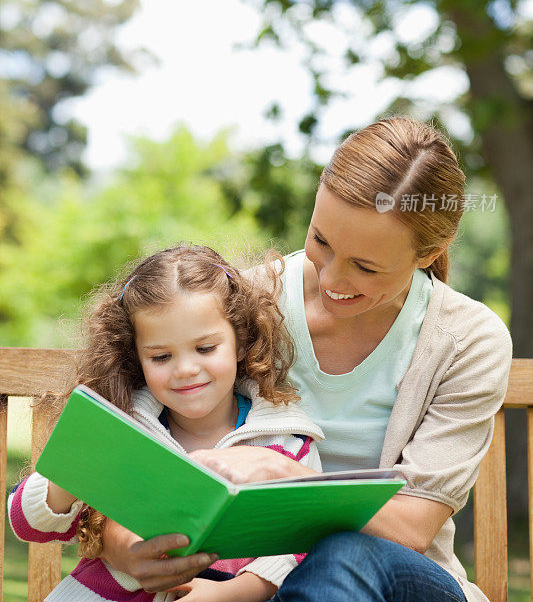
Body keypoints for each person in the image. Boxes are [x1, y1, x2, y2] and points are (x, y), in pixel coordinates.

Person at [99, 117, 513, 602]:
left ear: (429, 253)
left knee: (342, 554)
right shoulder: (245, 305)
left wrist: (283, 474)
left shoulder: (467, 340)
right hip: (247, 581)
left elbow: (414, 525)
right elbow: (131, 433)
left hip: (401, 580)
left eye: (365, 266)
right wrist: (117, 543)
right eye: (321, 241)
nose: (333, 278)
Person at [8, 244, 324, 602]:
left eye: (205, 349)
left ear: (240, 342)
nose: (185, 369)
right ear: (137, 357)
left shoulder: (286, 441)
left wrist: (237, 592)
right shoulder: (125, 427)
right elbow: (27, 521)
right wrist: (77, 467)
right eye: (161, 356)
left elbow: (301, 543)